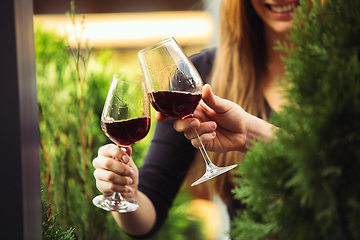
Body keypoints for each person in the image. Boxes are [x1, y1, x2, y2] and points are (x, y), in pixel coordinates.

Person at [92, 0, 296, 238]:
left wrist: (253, 135)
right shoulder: (202, 70)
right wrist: (127, 191)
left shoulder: (347, 71)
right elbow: (149, 212)